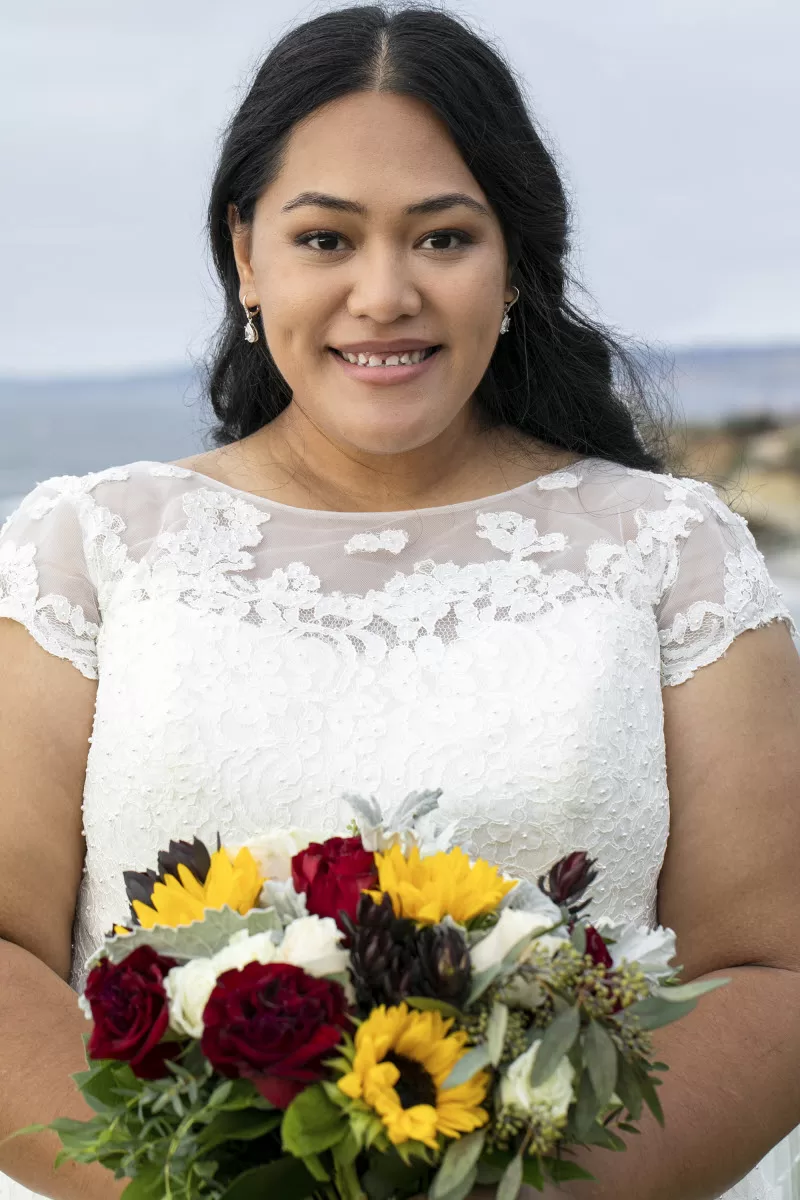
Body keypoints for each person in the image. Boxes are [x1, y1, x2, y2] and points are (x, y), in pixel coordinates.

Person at [1, 5, 799, 1198]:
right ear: (245, 257)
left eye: (441, 238)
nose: (383, 295)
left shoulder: (670, 551)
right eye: (325, 240)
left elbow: (769, 970)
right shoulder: (92, 546)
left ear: (515, 261)